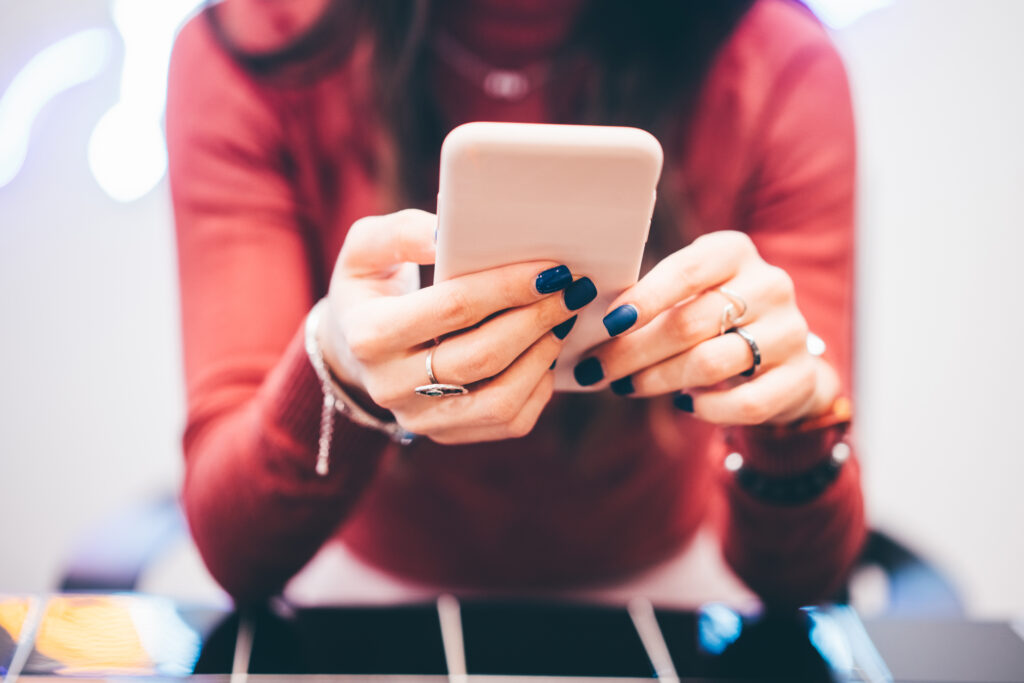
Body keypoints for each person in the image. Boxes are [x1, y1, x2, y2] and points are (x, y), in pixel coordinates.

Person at [166, 0, 864, 607]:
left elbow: (804, 580)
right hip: (364, 603)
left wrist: (791, 417)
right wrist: (338, 366)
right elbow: (236, 550)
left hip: (670, 593)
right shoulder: (259, 48)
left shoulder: (776, 58)